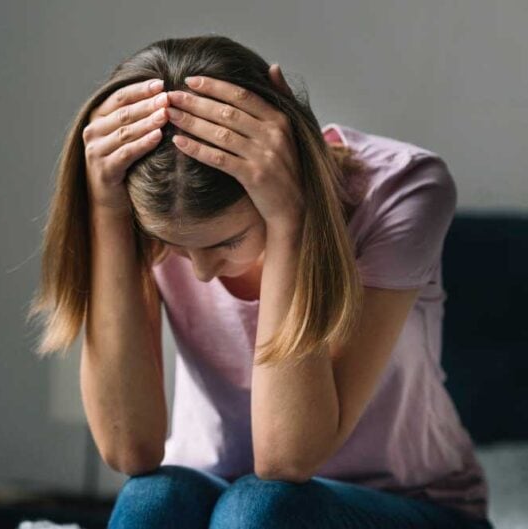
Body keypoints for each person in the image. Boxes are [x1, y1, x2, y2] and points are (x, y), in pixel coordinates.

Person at [26, 35, 494, 528]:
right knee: (152, 499)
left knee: (262, 508)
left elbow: (286, 462)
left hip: (412, 505)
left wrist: (292, 218)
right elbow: (129, 450)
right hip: (223, 499)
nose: (200, 271)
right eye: (177, 247)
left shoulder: (403, 189)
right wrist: (108, 211)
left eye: (225, 243)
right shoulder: (145, 211)